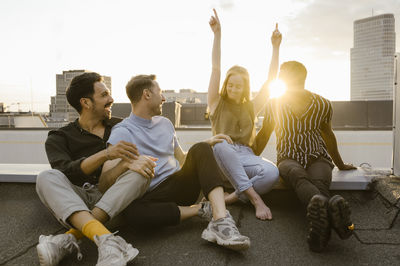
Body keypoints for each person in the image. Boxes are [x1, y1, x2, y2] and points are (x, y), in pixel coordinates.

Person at [105, 74, 250, 251]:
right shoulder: (123, 132)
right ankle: (200, 210)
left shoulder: (165, 123)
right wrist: (124, 165)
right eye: (160, 92)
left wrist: (208, 142)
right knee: (133, 214)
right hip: (151, 196)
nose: (164, 98)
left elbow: (181, 158)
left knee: (201, 148)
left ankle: (220, 221)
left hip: (179, 186)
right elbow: (106, 182)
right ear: (147, 95)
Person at [36, 72, 155, 266]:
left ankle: (70, 238)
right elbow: (66, 171)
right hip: (76, 204)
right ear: (86, 103)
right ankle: (108, 240)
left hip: (115, 200)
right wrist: (106, 155)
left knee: (143, 171)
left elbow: (152, 148)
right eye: (104, 95)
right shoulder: (59, 137)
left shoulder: (122, 126)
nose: (111, 99)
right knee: (46, 177)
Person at [252, 61, 356, 252]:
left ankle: (320, 230)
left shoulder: (322, 104)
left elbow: (328, 135)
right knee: (297, 175)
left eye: (282, 74)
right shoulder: (275, 103)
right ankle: (340, 222)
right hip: (288, 158)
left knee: (318, 180)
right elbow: (265, 134)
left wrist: (339, 164)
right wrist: (248, 159)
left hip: (318, 156)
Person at [207, 9, 281, 220]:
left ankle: (232, 197)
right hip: (222, 157)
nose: (232, 88)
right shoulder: (216, 103)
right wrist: (217, 35)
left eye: (238, 86)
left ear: (245, 87)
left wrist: (275, 47)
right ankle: (256, 199)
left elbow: (271, 80)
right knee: (221, 143)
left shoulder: (251, 106)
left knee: (272, 173)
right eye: (230, 84)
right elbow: (215, 68)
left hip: (246, 156)